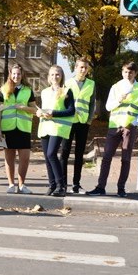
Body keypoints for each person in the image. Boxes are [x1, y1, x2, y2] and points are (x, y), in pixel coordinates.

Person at [87, 61, 138, 198]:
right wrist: (119, 100)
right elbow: (108, 107)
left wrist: (134, 123)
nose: (128, 74)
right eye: (126, 71)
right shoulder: (116, 87)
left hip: (129, 128)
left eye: (131, 72)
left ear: (135, 73)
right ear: (122, 72)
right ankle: (100, 187)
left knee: (125, 159)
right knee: (107, 156)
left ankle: (121, 188)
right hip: (114, 126)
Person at [0, 64, 37, 194]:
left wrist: (23, 108)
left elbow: (34, 110)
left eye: (18, 74)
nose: (16, 76)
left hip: (24, 128)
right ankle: (11, 185)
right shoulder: (3, 89)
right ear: (10, 74)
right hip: (8, 128)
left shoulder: (28, 90)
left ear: (22, 74)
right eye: (13, 73)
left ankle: (22, 185)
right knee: (9, 157)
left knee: (25, 157)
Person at [36, 65, 75, 197]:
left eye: (57, 74)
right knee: (47, 157)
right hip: (45, 127)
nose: (55, 77)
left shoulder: (66, 91)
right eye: (52, 75)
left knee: (52, 154)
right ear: (48, 77)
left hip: (58, 127)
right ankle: (52, 185)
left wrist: (54, 113)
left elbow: (71, 111)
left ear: (62, 76)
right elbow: (45, 108)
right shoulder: (44, 92)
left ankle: (61, 185)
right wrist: (39, 112)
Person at [60, 58, 96, 194]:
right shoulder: (67, 83)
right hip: (68, 121)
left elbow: (92, 103)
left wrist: (89, 119)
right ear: (75, 68)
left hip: (83, 122)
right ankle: (62, 183)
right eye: (81, 67)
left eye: (85, 68)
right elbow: (62, 102)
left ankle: (76, 184)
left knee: (79, 154)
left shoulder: (91, 84)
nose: (83, 70)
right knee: (64, 152)